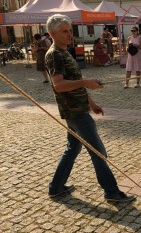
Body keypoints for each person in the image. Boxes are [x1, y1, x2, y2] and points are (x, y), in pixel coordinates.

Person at [45, 14, 135, 203]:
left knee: (72, 149)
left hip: (78, 109)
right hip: (75, 112)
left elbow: (75, 84)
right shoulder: (54, 54)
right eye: (64, 31)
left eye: (70, 30)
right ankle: (111, 192)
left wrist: (91, 103)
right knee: (98, 152)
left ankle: (56, 187)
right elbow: (59, 85)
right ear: (52, 33)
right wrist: (86, 82)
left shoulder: (64, 51)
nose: (70, 34)